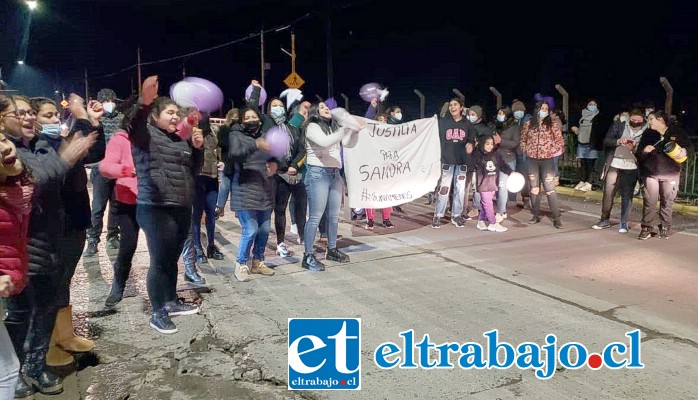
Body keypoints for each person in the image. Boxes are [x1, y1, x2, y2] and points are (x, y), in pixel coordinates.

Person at [2, 94, 96, 397]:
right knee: (20, 313)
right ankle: (11, 371)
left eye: (32, 112)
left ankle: (36, 364)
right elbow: (33, 177)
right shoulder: (7, 149)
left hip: (52, 236)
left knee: (47, 305)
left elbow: (86, 153)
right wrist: (65, 158)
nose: (29, 118)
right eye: (21, 114)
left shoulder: (42, 143)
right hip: (20, 244)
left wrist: (83, 122)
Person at [128, 76, 203, 334]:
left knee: (172, 259)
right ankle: (157, 311)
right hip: (155, 207)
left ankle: (171, 302)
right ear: (155, 116)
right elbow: (133, 121)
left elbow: (194, 169)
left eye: (177, 113)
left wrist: (197, 148)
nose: (175, 117)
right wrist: (144, 102)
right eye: (170, 113)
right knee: (159, 260)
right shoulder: (144, 134)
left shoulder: (180, 139)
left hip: (181, 205)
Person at [32, 96, 104, 367]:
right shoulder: (40, 145)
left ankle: (66, 334)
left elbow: (95, 152)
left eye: (54, 115)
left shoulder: (56, 139)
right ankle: (47, 348)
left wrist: (92, 123)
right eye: (47, 116)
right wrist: (82, 118)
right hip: (55, 224)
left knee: (65, 281)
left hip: (74, 220)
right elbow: (64, 162)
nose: (53, 121)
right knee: (52, 285)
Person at [228, 104, 278, 282]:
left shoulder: (265, 136)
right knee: (250, 229)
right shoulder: (236, 135)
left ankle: (258, 261)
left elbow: (277, 156)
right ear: (241, 121)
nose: (251, 120)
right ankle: (241, 263)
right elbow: (234, 154)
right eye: (246, 118)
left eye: (253, 117)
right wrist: (255, 145)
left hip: (264, 188)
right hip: (244, 188)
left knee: (264, 230)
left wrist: (276, 164)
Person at [0, 128, 33, 399]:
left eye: (2, 139)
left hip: (12, 276)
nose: (4, 147)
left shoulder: (13, 188)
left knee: (7, 370)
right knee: (6, 373)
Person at [301, 102, 353, 271]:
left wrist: (354, 130)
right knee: (315, 217)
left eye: (328, 107)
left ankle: (331, 249)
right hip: (318, 174)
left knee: (333, 216)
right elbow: (324, 142)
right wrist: (344, 129)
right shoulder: (312, 126)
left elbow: (349, 143)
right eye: (322, 107)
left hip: (334, 174)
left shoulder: (334, 128)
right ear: (316, 111)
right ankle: (308, 255)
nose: (327, 109)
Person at [99, 99, 141, 306]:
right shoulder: (120, 139)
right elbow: (106, 167)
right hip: (128, 203)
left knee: (162, 250)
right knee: (128, 247)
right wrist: (126, 170)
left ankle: (167, 294)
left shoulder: (155, 139)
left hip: (154, 203)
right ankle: (118, 286)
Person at [636, 110, 694, 240]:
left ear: (660, 119)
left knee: (667, 201)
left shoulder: (677, 132)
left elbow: (690, 148)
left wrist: (684, 151)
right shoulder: (648, 134)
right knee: (649, 201)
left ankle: (665, 227)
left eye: (651, 119)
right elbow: (638, 153)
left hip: (671, 173)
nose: (648, 122)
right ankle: (646, 228)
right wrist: (644, 151)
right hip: (651, 173)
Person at [592, 109, 647, 232]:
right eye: (633, 120)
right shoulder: (619, 125)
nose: (636, 123)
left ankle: (624, 223)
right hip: (615, 162)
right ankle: (604, 219)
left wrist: (634, 147)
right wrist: (618, 141)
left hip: (631, 165)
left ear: (643, 121)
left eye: (639, 121)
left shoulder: (646, 131)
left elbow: (645, 150)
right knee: (608, 192)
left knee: (627, 195)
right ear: (629, 118)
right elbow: (606, 140)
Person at [84, 88, 124, 255]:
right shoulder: (93, 120)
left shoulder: (122, 119)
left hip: (117, 169)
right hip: (99, 168)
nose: (110, 104)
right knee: (98, 206)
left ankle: (113, 235)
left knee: (116, 204)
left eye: (112, 100)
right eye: (106, 101)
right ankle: (93, 239)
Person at [520, 101, 565, 229]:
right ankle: (535, 215)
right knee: (534, 188)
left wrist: (552, 151)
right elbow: (523, 140)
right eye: (542, 108)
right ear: (537, 109)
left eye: (546, 109)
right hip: (532, 160)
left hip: (547, 160)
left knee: (549, 188)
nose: (544, 111)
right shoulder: (528, 124)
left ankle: (556, 218)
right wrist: (526, 149)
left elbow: (560, 141)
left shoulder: (553, 125)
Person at [431, 98, 474, 229]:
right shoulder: (443, 123)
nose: (452, 107)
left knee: (460, 189)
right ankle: (438, 215)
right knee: (444, 189)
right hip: (447, 160)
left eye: (455, 105)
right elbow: (432, 136)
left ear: (461, 108)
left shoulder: (468, 124)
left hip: (461, 161)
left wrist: (470, 144)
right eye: (450, 105)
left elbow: (471, 140)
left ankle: (456, 215)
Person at [364, 98, 394, 229]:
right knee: (371, 194)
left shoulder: (391, 135)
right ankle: (370, 219)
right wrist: (372, 107)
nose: (382, 123)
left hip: (386, 168)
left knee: (387, 193)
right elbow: (366, 121)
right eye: (380, 121)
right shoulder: (371, 134)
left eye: (384, 121)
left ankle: (386, 219)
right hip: (373, 168)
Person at [473, 135, 512, 232]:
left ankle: (481, 221)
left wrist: (511, 172)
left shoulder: (496, 154)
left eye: (491, 144)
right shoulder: (477, 154)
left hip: (493, 182)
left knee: (485, 203)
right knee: (488, 203)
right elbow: (473, 164)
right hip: (483, 183)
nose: (490, 146)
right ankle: (492, 223)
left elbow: (503, 165)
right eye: (487, 144)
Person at [492, 106, 520, 222]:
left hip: (508, 159)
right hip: (494, 158)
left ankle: (501, 211)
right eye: (499, 113)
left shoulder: (514, 128)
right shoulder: (494, 126)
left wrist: (501, 142)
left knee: (502, 185)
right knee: (495, 185)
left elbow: (515, 143)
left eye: (503, 113)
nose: (500, 115)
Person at [571, 99, 606, 192]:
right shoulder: (581, 113)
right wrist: (574, 128)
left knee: (591, 163)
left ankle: (590, 182)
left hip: (592, 142)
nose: (592, 106)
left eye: (594, 104)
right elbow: (573, 123)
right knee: (583, 162)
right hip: (581, 141)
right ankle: (582, 180)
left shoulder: (599, 115)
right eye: (590, 104)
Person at [215, 108, 239, 218]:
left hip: (234, 161)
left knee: (231, 185)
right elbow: (222, 143)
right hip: (230, 161)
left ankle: (226, 208)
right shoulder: (225, 129)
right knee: (227, 185)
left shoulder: (238, 129)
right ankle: (222, 207)